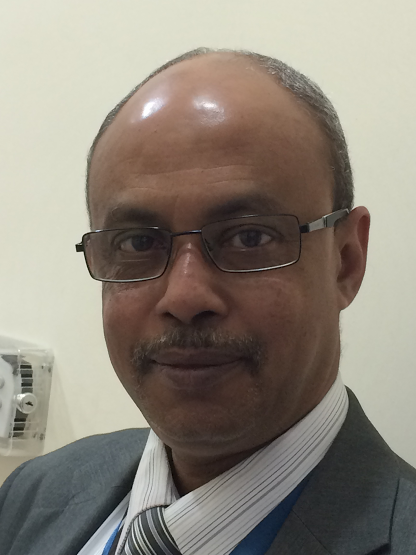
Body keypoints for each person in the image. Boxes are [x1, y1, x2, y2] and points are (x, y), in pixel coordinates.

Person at [1, 47, 415, 555]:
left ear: (346, 261)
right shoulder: (32, 496)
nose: (184, 296)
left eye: (249, 237)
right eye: (137, 242)